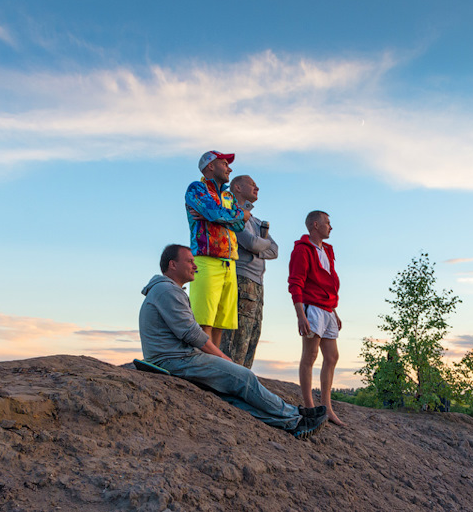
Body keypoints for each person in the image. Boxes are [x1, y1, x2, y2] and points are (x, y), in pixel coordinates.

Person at [139, 244, 326, 439]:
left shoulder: (165, 290)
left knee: (230, 397)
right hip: (176, 359)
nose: (195, 266)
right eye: (190, 261)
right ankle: (296, 416)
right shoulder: (167, 291)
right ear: (173, 264)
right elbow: (192, 333)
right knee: (244, 377)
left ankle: (291, 423)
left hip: (171, 359)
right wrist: (221, 357)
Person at [185, 150, 249, 350]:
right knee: (204, 320)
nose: (229, 168)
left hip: (230, 263)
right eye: (224, 163)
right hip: (206, 259)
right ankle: (199, 366)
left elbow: (239, 225)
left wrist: (224, 215)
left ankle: (214, 368)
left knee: (221, 323)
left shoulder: (228, 195)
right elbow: (215, 213)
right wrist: (234, 214)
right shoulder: (197, 188)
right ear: (210, 165)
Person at [288, 211, 344, 426]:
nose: (331, 227)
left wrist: (335, 311)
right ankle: (310, 407)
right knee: (310, 355)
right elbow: (296, 283)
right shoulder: (302, 250)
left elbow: (330, 282)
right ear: (315, 225)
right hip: (312, 308)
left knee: (332, 357)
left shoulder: (327, 250)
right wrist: (300, 315)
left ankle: (327, 407)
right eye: (327, 223)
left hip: (328, 308)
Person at [219, 175, 278, 368]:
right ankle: (229, 383)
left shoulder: (255, 220)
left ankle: (242, 382)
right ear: (237, 187)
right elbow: (251, 242)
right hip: (241, 279)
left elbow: (274, 250)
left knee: (252, 335)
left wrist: (259, 247)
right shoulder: (232, 214)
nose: (257, 188)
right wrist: (261, 245)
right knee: (237, 339)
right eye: (252, 184)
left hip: (258, 284)